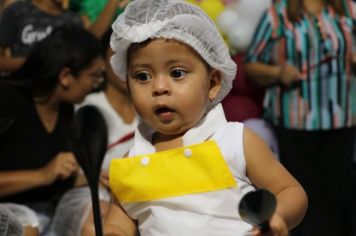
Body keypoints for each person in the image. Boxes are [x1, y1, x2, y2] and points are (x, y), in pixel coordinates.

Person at [101, 0, 308, 235]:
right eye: (142, 76)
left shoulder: (234, 141)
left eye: (177, 73)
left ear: (212, 83)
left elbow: (290, 191)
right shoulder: (134, 158)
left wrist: (278, 216)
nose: (159, 87)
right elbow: (118, 223)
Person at [244, 0, 356, 235]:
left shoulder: (348, 9)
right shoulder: (278, 14)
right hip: (296, 121)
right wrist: (278, 72)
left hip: (343, 118)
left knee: (339, 194)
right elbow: (251, 64)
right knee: (302, 195)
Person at [0, 24, 104, 236]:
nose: (96, 84)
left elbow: (57, 175)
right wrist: (41, 175)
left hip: (48, 213)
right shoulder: (6, 100)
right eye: (94, 76)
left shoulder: (66, 110)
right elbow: (46, 173)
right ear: (66, 76)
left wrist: (95, 176)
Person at [50, 29, 138, 236]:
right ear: (102, 62)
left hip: (141, 195)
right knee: (98, 222)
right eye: (117, 57)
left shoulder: (155, 111)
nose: (124, 66)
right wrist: (95, 177)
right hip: (92, 197)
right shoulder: (85, 106)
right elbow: (64, 167)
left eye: (132, 58)